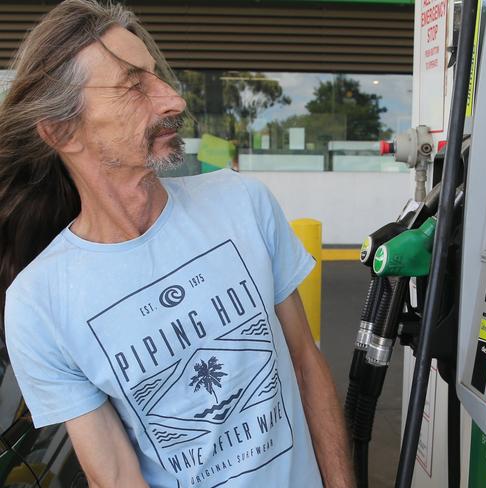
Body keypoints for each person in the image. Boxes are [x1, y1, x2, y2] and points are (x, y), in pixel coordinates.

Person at [0, 1, 354, 487]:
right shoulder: (37, 304)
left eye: (156, 77)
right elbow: (119, 477)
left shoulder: (242, 202)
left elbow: (305, 363)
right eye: (133, 85)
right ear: (62, 131)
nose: (173, 100)